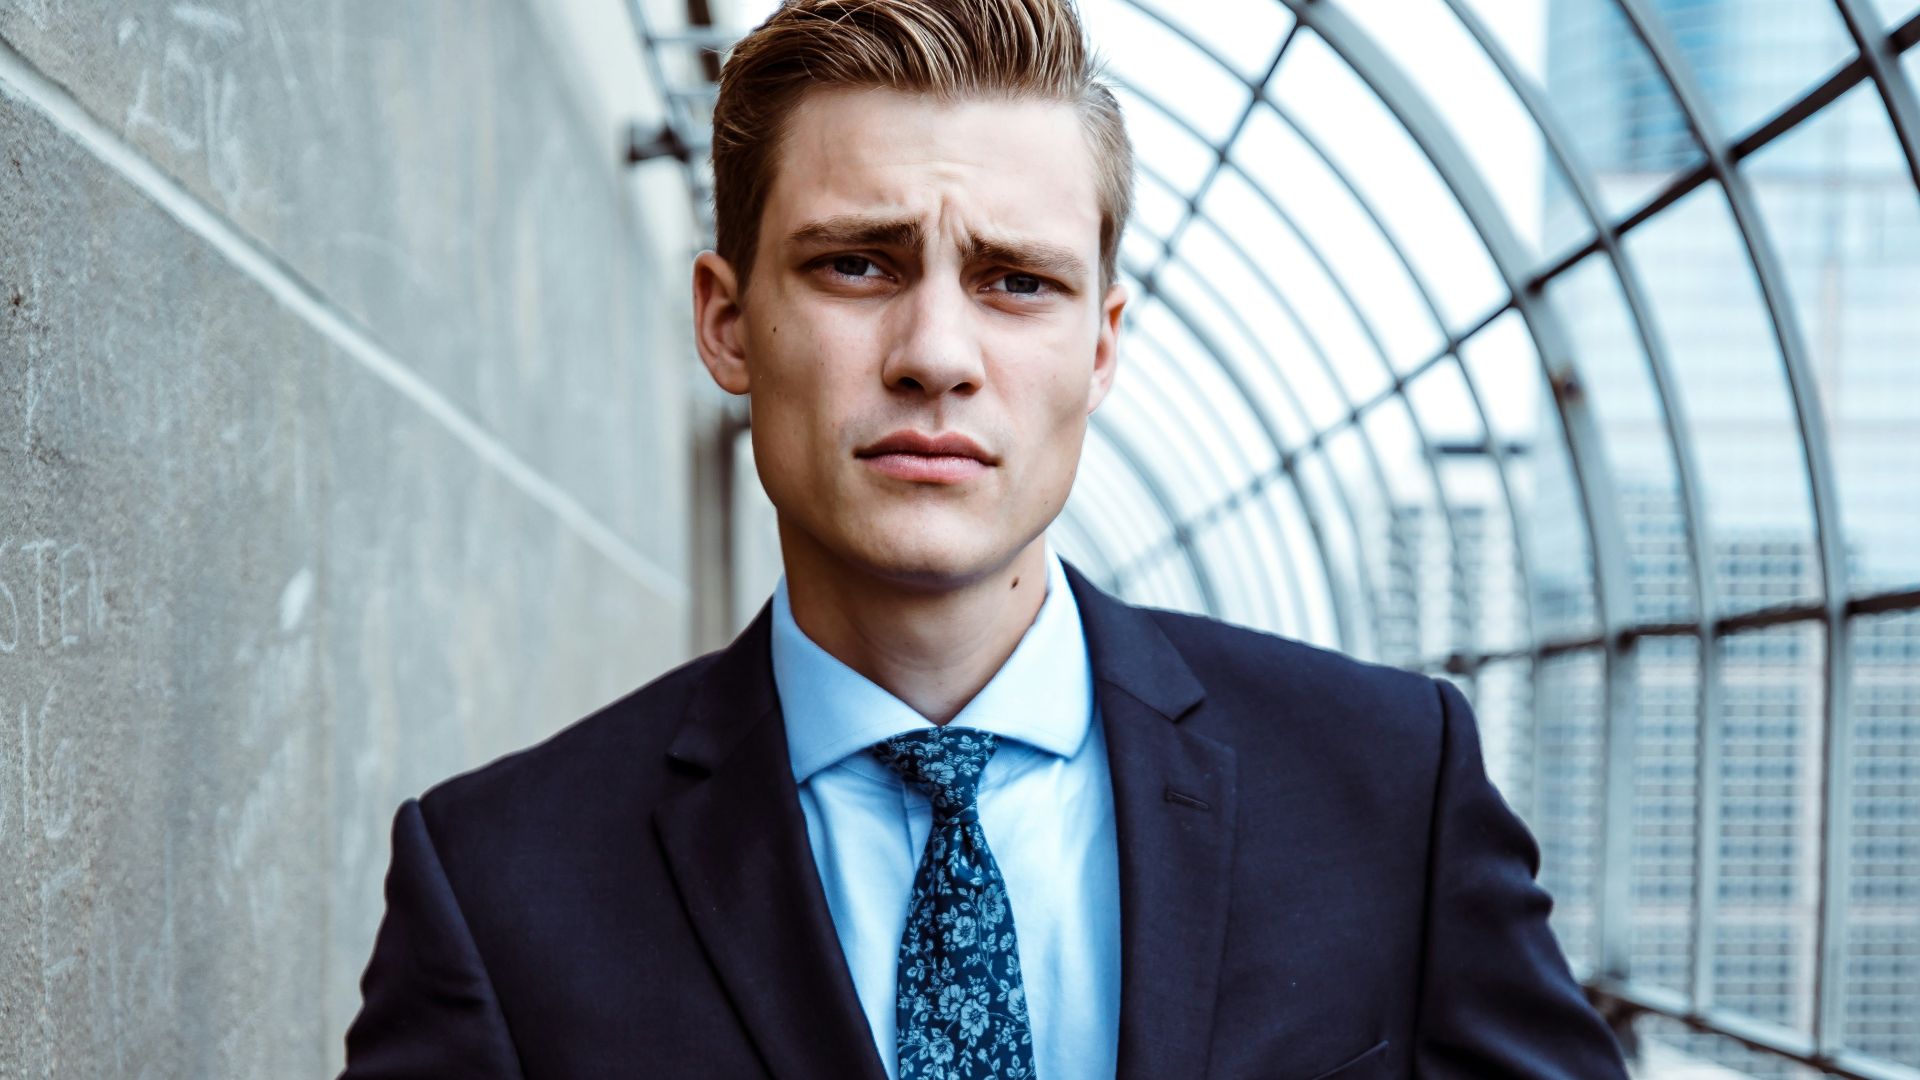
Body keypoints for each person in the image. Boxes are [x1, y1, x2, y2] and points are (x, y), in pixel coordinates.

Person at [339, 1, 1632, 1077]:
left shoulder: (1390, 792)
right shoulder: (505, 886)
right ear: (728, 322)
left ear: (1102, 344)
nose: (938, 356)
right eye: (857, 264)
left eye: (1018, 281)